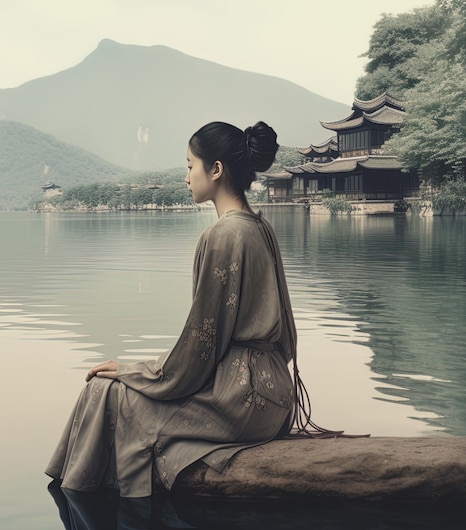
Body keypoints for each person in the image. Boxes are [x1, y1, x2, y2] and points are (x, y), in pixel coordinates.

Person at [45, 120, 323, 498]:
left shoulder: (224, 234)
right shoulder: (260, 227)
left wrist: (133, 369)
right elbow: (280, 335)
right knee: (117, 387)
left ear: (216, 169)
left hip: (239, 400)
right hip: (273, 396)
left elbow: (200, 348)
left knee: (102, 391)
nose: (187, 177)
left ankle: (87, 504)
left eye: (190, 165)